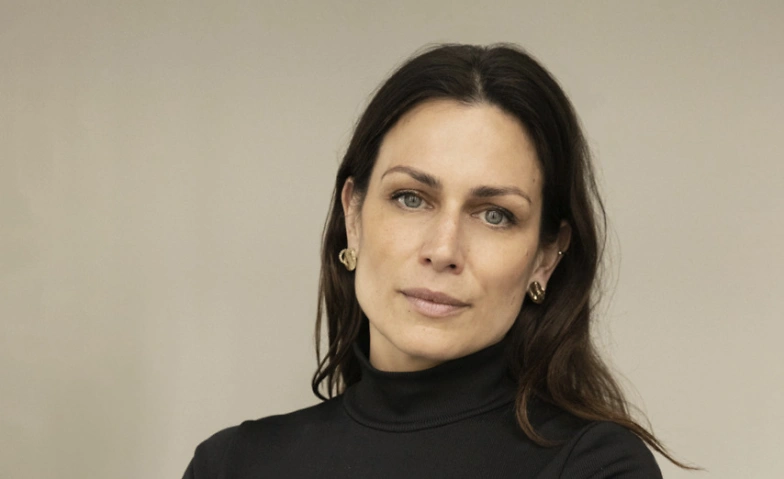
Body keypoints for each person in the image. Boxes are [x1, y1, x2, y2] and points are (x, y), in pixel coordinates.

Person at [183, 43, 688, 478]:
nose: (444, 250)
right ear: (353, 216)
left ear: (546, 257)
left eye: (495, 215)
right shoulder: (233, 464)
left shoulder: (595, 467)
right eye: (411, 199)